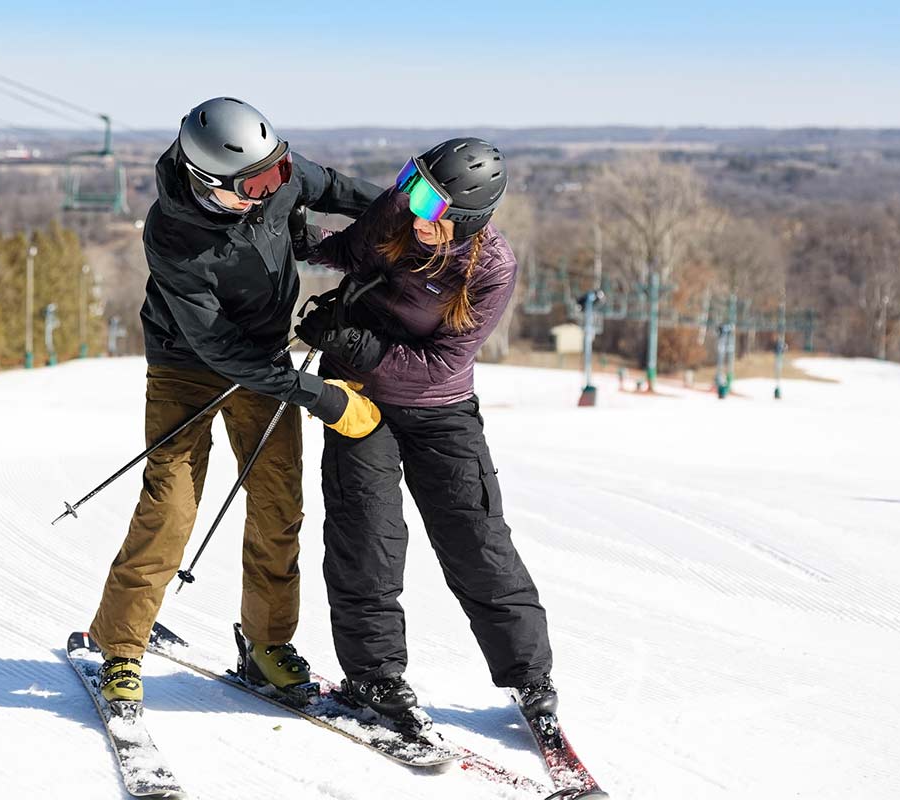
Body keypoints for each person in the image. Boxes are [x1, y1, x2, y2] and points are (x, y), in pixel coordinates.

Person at [89, 97, 383, 710]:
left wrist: (406, 214)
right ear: (206, 182)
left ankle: (266, 644)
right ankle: (119, 650)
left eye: (277, 171)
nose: (274, 187)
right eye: (255, 183)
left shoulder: (272, 171)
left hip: (265, 355)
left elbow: (334, 187)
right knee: (170, 507)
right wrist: (320, 397)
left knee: (279, 503)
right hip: (187, 365)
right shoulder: (171, 236)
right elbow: (219, 350)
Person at [294, 138, 558, 729]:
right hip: (360, 400)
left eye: (433, 206)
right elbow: (352, 251)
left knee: (476, 537)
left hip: (439, 408)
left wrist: (356, 345)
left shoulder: (490, 267)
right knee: (367, 534)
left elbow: (442, 365)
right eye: (411, 186)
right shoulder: (402, 211)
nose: (415, 209)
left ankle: (528, 676)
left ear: (466, 222)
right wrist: (304, 243)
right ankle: (375, 675)